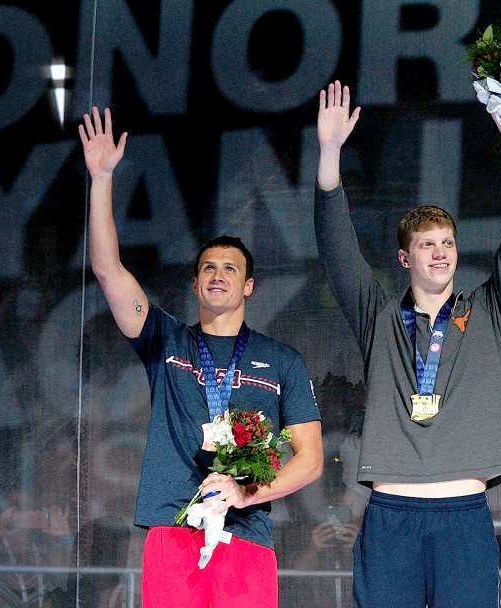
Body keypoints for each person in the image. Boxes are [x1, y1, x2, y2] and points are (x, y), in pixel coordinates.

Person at [79, 107, 323, 608]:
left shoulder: (281, 362)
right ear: (194, 282)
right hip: (172, 528)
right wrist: (102, 179)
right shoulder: (166, 340)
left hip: (247, 532)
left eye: (230, 269)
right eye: (207, 267)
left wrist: (246, 493)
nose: (217, 275)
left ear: (249, 286)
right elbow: (107, 270)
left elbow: (312, 460)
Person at [313, 80, 501, 607]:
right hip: (391, 513)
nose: (439, 254)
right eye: (426, 245)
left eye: (447, 243)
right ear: (404, 259)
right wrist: (329, 157)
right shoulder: (379, 318)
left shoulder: (488, 310)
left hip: (463, 513)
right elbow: (337, 249)